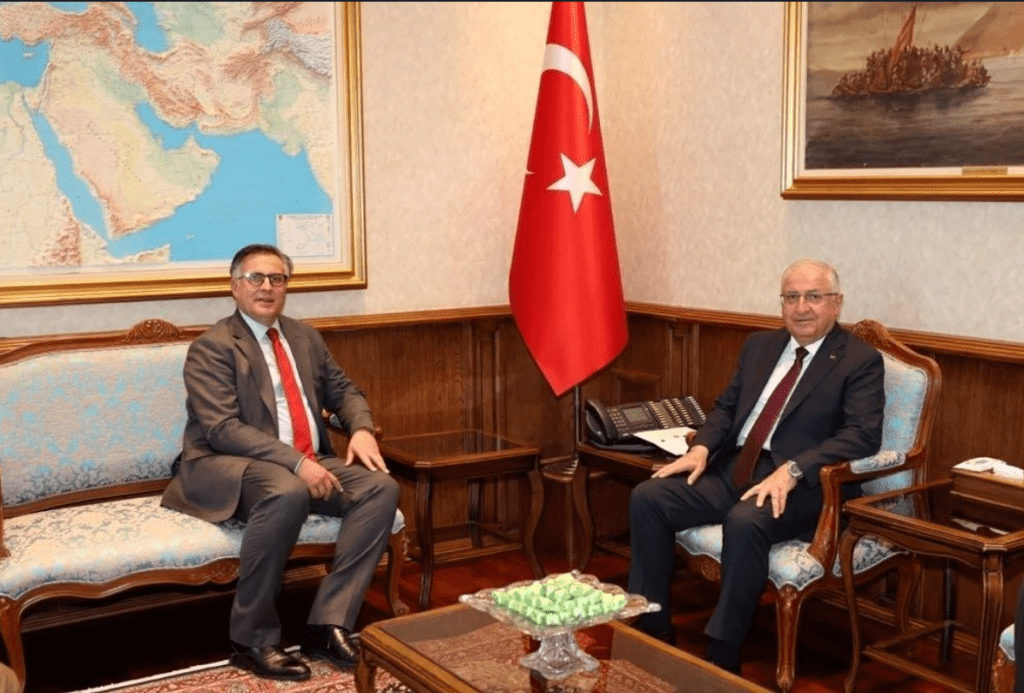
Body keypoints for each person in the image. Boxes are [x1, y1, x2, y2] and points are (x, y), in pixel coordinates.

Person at [627, 258, 884, 674]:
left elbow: (863, 435)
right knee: (649, 497)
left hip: (803, 485)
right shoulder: (760, 347)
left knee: (745, 521)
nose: (801, 307)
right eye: (791, 297)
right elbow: (726, 408)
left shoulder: (859, 360)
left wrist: (795, 468)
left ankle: (723, 651)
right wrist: (701, 449)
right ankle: (652, 625)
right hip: (737, 467)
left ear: (836, 303)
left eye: (814, 297)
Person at [162, 243, 399, 681]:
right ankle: (250, 639)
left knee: (379, 488)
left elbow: (345, 391)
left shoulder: (304, 338)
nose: (267, 287)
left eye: (277, 279)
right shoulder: (212, 347)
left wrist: (361, 428)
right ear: (235, 287)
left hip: (302, 460)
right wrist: (296, 464)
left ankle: (327, 624)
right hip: (225, 465)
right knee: (287, 491)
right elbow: (222, 429)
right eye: (256, 278)